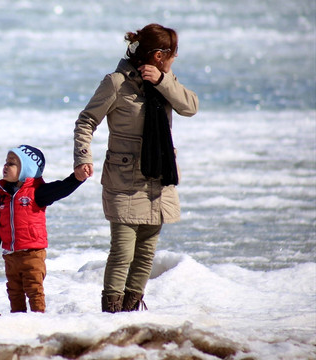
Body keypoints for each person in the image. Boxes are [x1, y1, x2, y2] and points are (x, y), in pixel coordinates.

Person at [73, 24, 199, 313]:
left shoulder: (167, 82)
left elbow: (191, 107)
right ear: (158, 55)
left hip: (158, 178)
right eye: (172, 54)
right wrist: (83, 158)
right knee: (122, 251)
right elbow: (86, 122)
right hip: (124, 179)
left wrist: (163, 81)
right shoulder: (116, 83)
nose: (174, 59)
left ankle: (130, 315)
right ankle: (111, 315)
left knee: (146, 253)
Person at [0, 145, 86, 313]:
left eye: (12, 163)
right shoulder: (1, 196)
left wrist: (77, 178)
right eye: (6, 162)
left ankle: (39, 318)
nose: (5, 166)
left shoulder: (37, 192)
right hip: (10, 254)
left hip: (32, 253)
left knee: (34, 289)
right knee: (14, 291)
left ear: (26, 169)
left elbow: (61, 188)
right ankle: (18, 319)